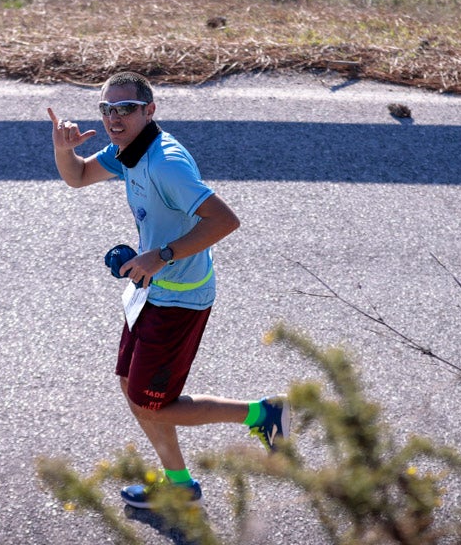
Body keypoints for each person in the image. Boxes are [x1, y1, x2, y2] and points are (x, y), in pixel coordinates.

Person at [47, 71, 289, 508]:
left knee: (154, 404)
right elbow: (78, 176)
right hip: (150, 290)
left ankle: (262, 414)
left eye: (126, 108)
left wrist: (162, 255)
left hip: (180, 296)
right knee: (130, 386)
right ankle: (178, 484)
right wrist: (63, 150)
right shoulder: (128, 151)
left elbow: (225, 221)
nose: (114, 117)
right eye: (107, 109)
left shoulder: (165, 163)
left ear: (149, 110)